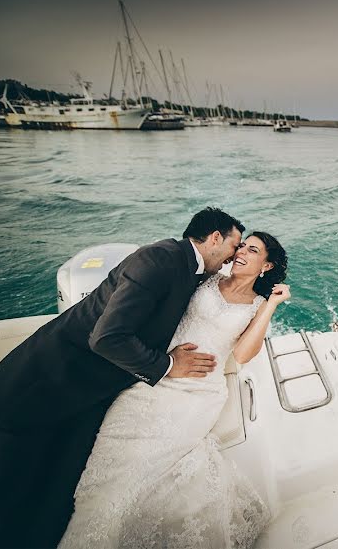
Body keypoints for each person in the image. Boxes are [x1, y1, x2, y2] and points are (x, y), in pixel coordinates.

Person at [0, 207, 246, 548]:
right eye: (234, 246)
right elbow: (107, 337)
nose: (234, 256)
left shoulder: (192, 268)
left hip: (82, 403)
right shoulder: (157, 260)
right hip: (36, 389)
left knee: (57, 505)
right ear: (215, 238)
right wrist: (167, 365)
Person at [58, 231, 288, 548]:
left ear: (267, 265)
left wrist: (271, 305)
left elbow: (243, 354)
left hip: (201, 392)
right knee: (114, 453)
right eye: (241, 246)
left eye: (252, 250)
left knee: (155, 464)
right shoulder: (210, 276)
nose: (241, 252)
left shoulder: (259, 305)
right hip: (160, 375)